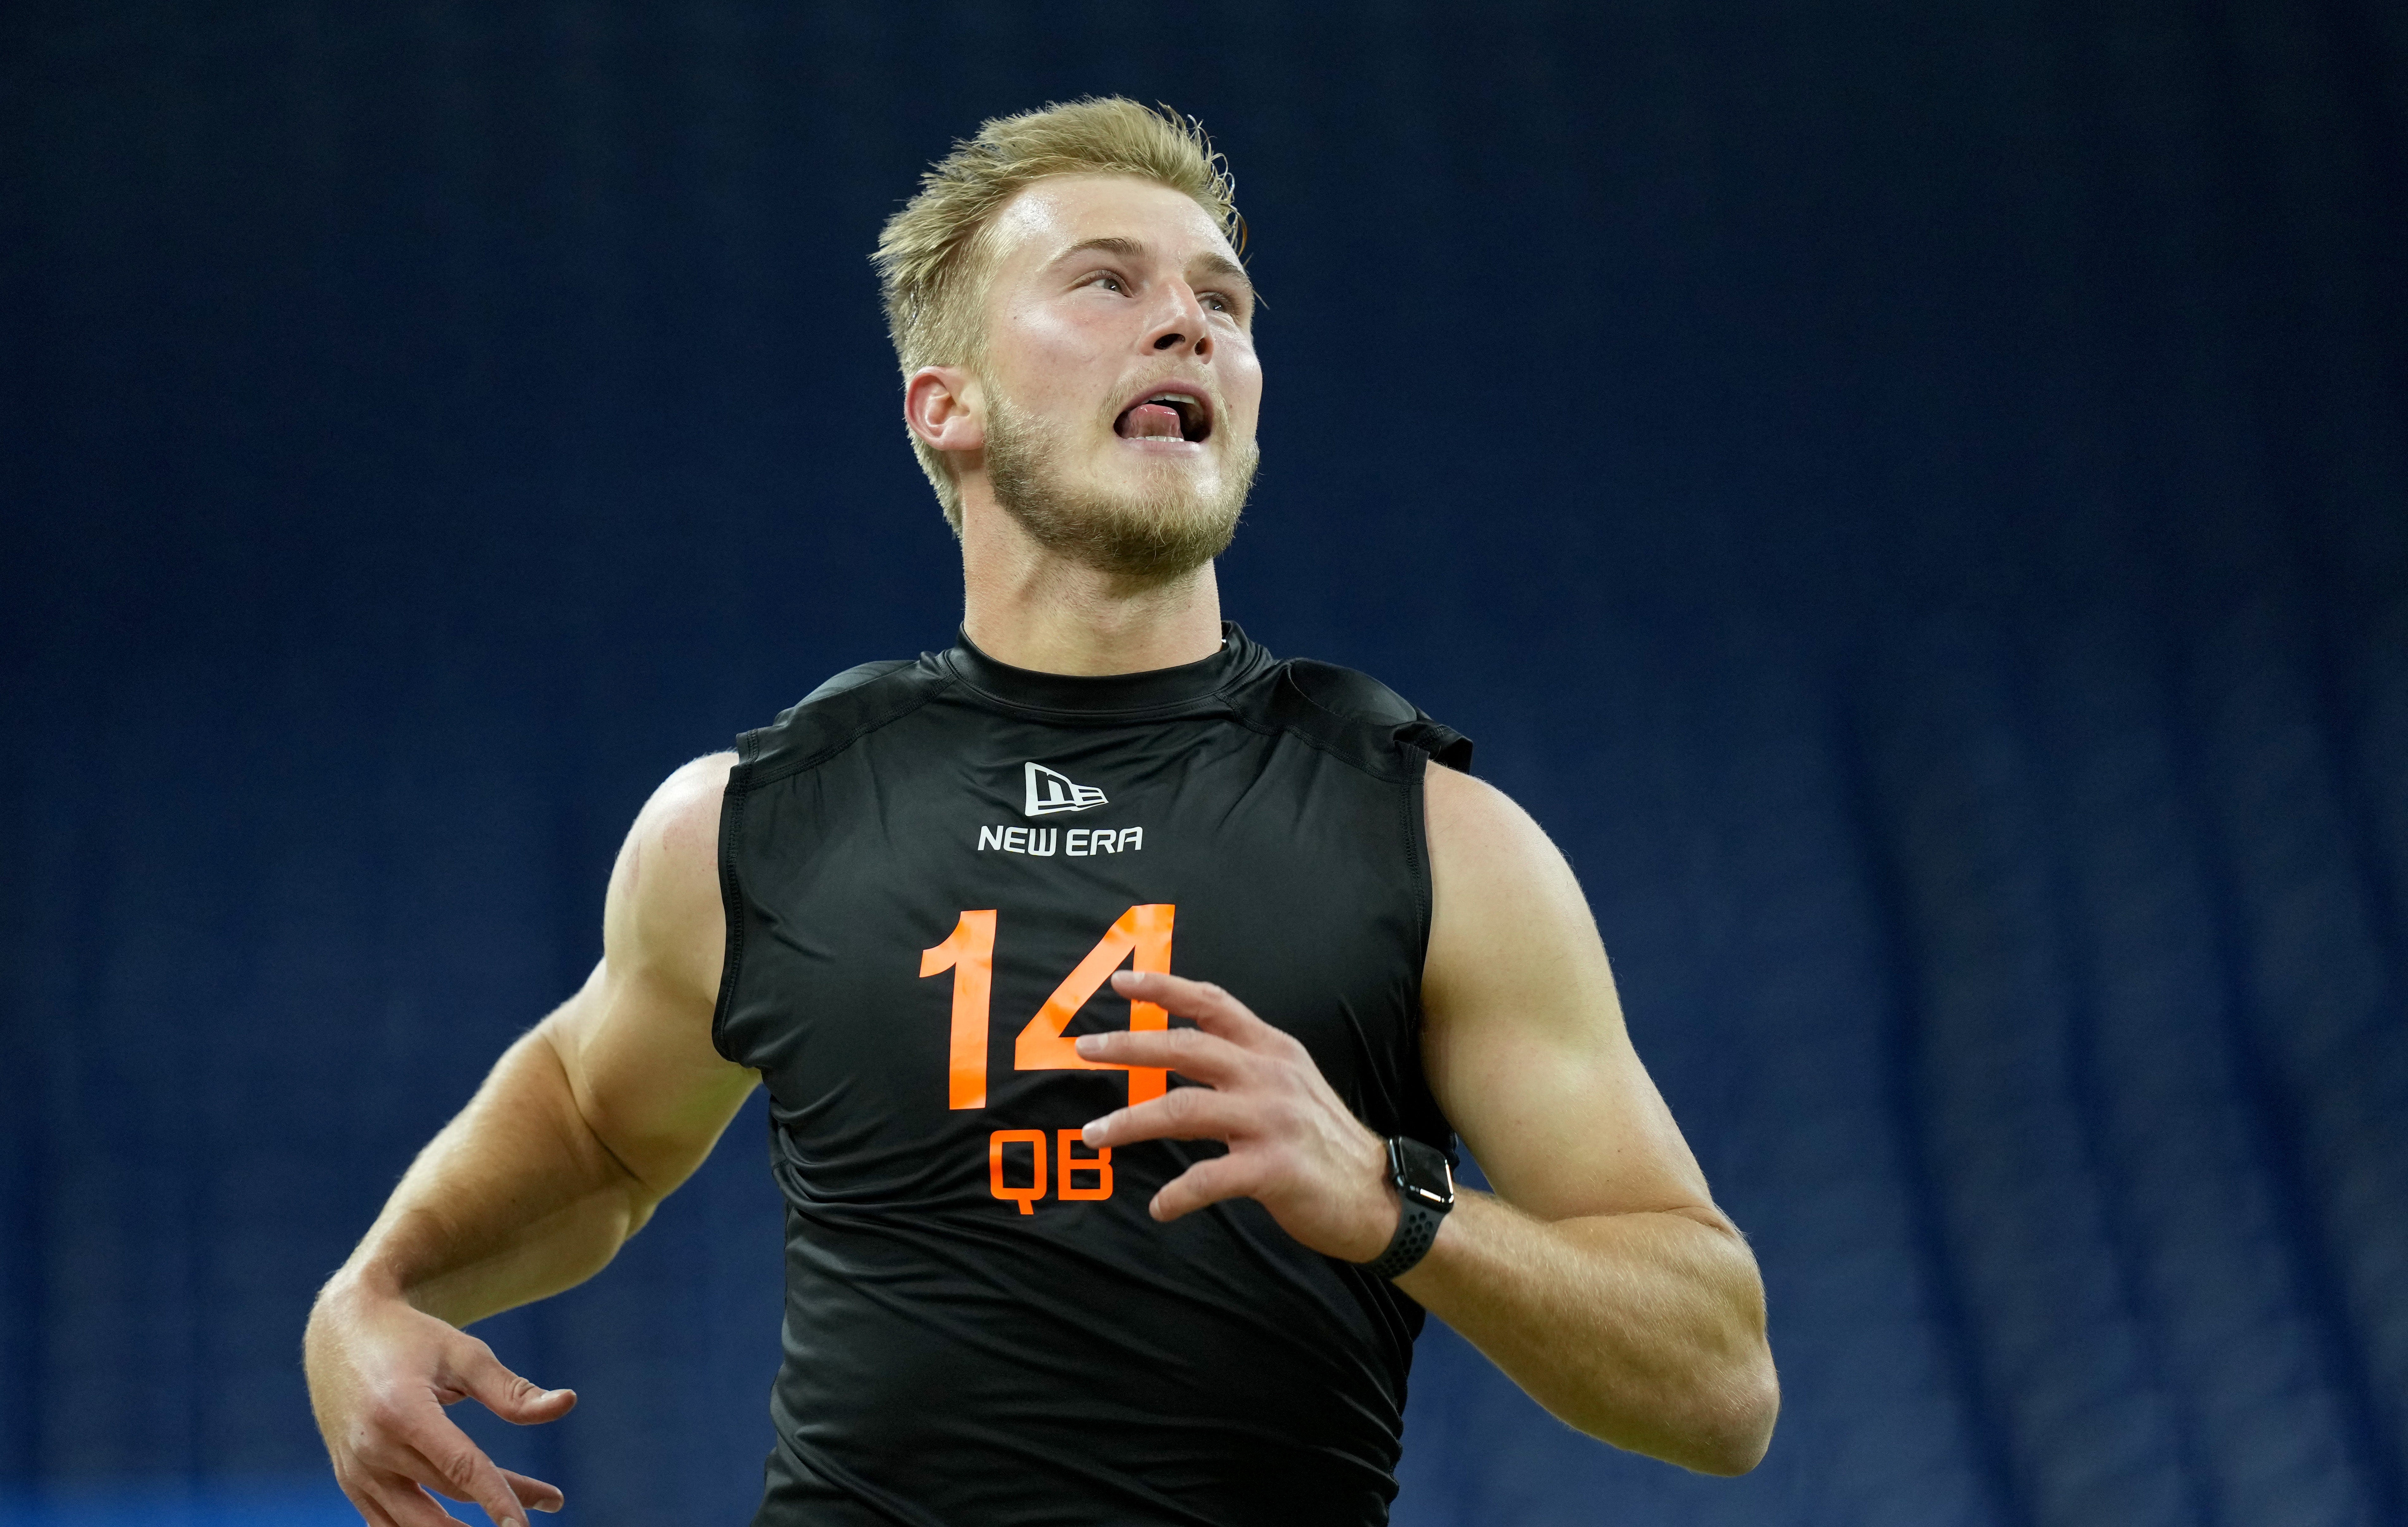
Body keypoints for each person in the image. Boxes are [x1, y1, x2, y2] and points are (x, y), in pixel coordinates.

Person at [302, 97, 1778, 1527]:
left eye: (1225, 298)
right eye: (1106, 282)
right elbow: (592, 1124)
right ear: (946, 406)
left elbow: (1720, 1385)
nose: (1191, 321)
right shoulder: (754, 822)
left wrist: (1393, 1200)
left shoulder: (1433, 837)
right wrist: (372, 1293)